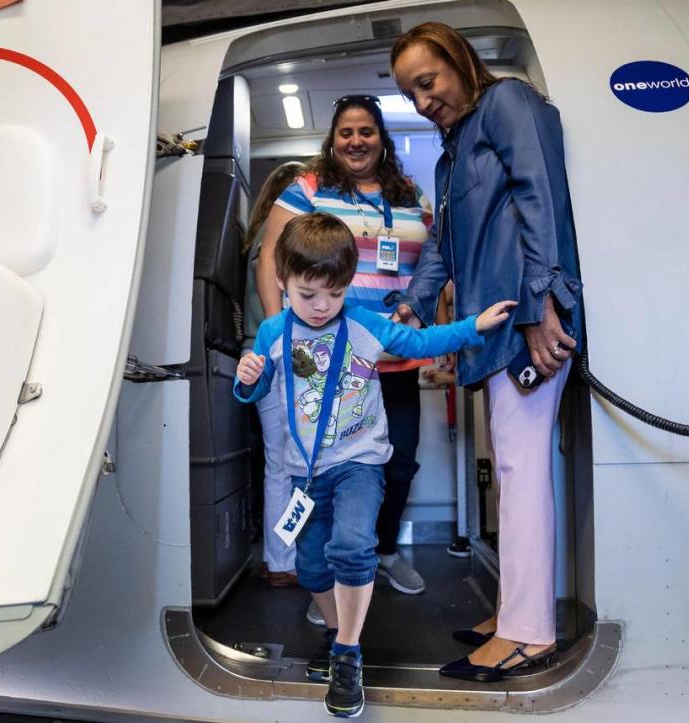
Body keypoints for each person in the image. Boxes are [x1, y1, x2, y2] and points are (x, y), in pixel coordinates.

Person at [233, 212, 514, 718]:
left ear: (347, 285)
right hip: (307, 471)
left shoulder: (362, 324)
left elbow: (421, 343)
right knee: (311, 564)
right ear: (282, 281)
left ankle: (346, 653)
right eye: (307, 294)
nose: (322, 307)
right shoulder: (273, 332)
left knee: (353, 546)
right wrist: (248, 375)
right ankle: (340, 639)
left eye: (334, 294)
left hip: (361, 462)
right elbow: (252, 390)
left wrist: (474, 326)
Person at [390, 22, 585, 682]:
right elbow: (444, 249)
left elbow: (542, 196)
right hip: (493, 328)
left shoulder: (507, 105)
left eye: (428, 82)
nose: (422, 101)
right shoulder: (452, 154)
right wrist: (414, 304)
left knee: (522, 468)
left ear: (458, 61)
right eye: (410, 94)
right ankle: (514, 613)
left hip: (525, 318)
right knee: (512, 467)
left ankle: (529, 631)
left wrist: (543, 304)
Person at [256, 95, 436, 602]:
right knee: (328, 468)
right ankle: (330, 576)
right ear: (332, 141)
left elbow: (431, 264)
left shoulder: (411, 195)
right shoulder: (308, 188)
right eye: (346, 133)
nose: (356, 141)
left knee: (397, 460)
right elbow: (271, 259)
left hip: (391, 353)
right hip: (323, 358)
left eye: (366, 131)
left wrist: (421, 311)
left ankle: (380, 553)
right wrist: (281, 337)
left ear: (382, 138)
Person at [242, 160, 306, 587]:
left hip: (255, 355)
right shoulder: (285, 242)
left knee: (277, 462)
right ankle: (287, 560)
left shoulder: (253, 240)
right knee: (292, 462)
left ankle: (280, 558)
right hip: (281, 357)